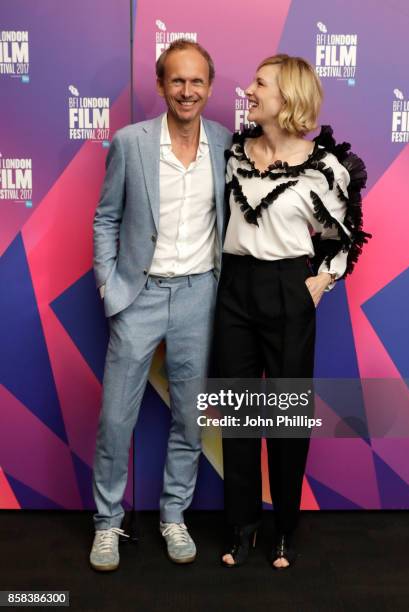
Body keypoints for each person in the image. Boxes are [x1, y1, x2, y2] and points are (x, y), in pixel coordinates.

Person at [213, 54, 371, 569]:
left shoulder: (324, 166)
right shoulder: (234, 153)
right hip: (235, 289)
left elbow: (341, 238)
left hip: (289, 289)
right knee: (238, 416)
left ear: (289, 97)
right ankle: (241, 525)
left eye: (260, 83)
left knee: (284, 415)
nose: (249, 90)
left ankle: (283, 528)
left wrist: (318, 285)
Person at [90, 39, 231, 571]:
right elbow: (105, 218)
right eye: (177, 80)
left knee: (189, 421)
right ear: (161, 85)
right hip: (139, 295)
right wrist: (110, 285)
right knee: (115, 420)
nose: (187, 91)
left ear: (210, 87)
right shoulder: (131, 143)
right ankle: (107, 523)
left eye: (196, 82)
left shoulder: (224, 142)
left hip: (199, 295)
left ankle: (174, 515)